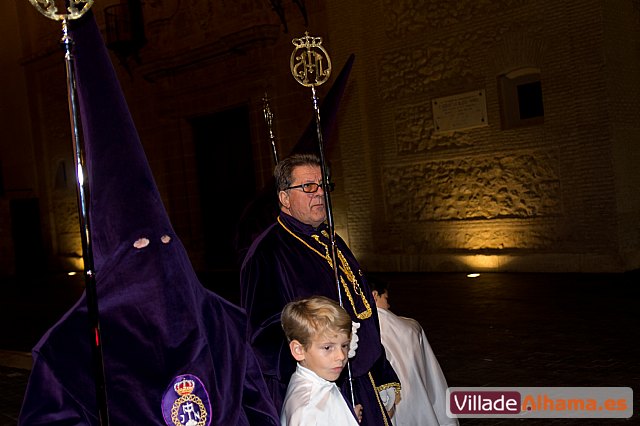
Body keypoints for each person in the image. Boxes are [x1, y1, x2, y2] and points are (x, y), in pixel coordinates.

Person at [240, 153, 400, 425]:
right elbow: (261, 334)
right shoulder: (266, 253)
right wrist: (322, 386)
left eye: (323, 185)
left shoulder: (330, 238)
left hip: (362, 379)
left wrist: (382, 371)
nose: (320, 193)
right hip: (325, 387)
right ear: (284, 198)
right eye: (308, 187)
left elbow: (362, 309)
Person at [370, 277, 458, 426]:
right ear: (374, 295)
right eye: (385, 298)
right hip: (411, 395)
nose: (389, 304)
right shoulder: (410, 327)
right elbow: (430, 372)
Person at [280, 296, 363, 425]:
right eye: (328, 347)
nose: (341, 356)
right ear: (299, 350)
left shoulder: (316, 380)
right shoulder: (308, 410)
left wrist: (347, 417)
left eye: (344, 345)